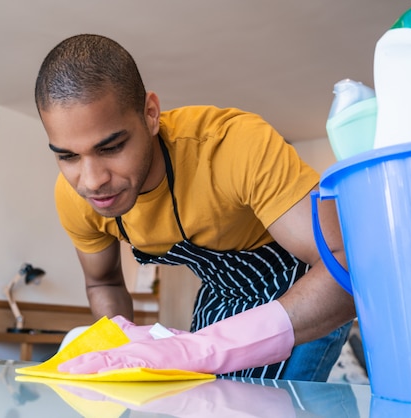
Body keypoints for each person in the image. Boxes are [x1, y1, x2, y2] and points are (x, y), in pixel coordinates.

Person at [34, 34, 356, 381]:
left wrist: (203, 348)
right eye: (67, 156)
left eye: (111, 147)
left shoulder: (234, 146)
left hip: (298, 287)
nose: (92, 180)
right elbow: (104, 284)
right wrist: (119, 355)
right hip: (219, 293)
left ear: (151, 114)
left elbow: (345, 266)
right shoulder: (75, 197)